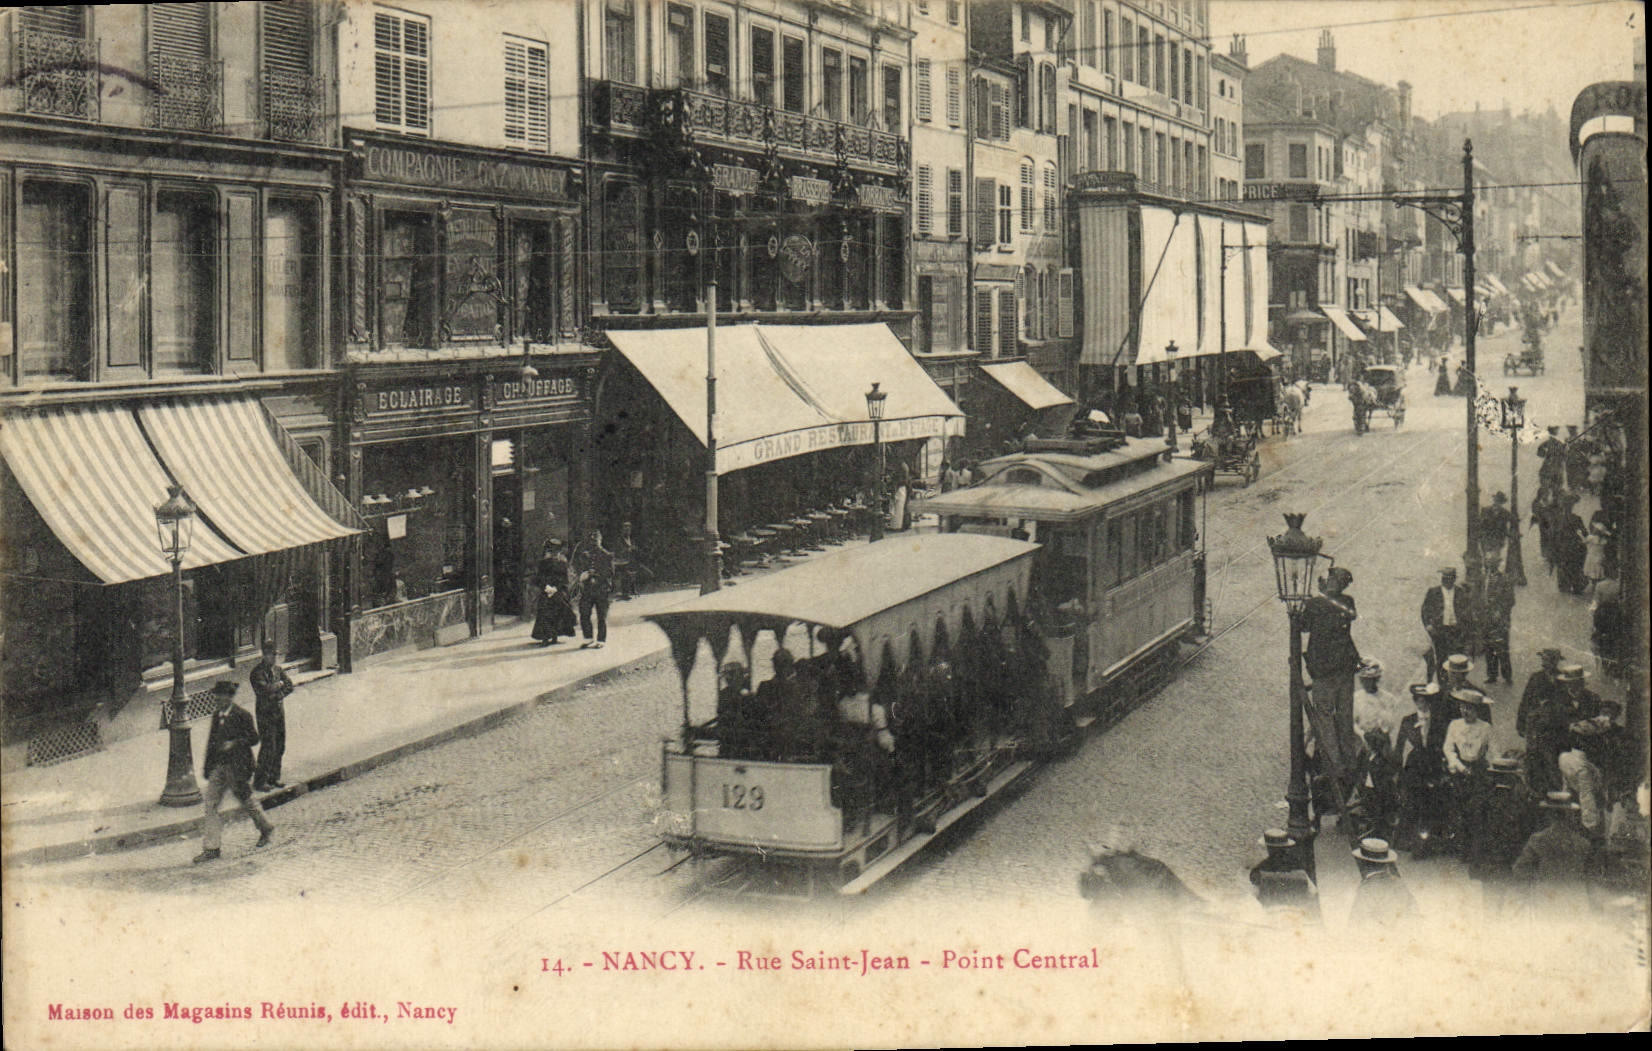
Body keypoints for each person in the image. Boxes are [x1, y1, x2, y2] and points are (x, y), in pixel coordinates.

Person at [193, 681, 275, 863]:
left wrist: (235, 742)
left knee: (246, 801)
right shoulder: (216, 716)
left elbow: (254, 738)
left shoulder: (242, 715)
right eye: (216, 696)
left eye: (221, 696)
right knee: (211, 804)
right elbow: (211, 743)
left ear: (229, 697)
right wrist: (208, 768)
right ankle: (212, 848)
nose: (217, 699)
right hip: (218, 768)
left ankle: (265, 827)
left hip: (237, 767)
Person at [1301, 567, 1362, 789]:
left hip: (1325, 669)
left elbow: (1303, 626)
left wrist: (1316, 598)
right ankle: (1349, 763)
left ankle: (1336, 766)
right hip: (1345, 667)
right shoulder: (1346, 602)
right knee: (1344, 716)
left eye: (1332, 580)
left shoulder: (1318, 604)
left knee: (1325, 717)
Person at [1462, 757, 1540, 913]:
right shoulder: (1520, 802)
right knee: (1511, 908)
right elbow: (1527, 830)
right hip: (1510, 860)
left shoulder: (1482, 799)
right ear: (1512, 777)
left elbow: (1471, 827)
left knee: (1491, 904)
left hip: (1487, 860)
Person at [1511, 790, 1596, 917]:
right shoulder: (1583, 843)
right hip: (1573, 903)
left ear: (1549, 814)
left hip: (1545, 901)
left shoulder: (1538, 840)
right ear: (1570, 816)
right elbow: (1591, 878)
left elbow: (1520, 870)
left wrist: (1525, 895)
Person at [1395, 682, 1448, 854]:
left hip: (1433, 763)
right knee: (1412, 800)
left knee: (1432, 801)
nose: (1422, 704)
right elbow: (1400, 747)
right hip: (1415, 764)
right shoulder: (1408, 721)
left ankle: (1431, 840)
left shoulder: (1439, 720)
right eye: (1419, 700)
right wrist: (1398, 770)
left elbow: (1444, 744)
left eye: (1425, 700)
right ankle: (1411, 840)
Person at [250, 640, 293, 793]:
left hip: (279, 712)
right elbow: (264, 690)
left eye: (275, 655)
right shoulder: (257, 673)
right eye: (270, 655)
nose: (273, 658)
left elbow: (290, 685)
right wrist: (278, 686)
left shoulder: (278, 670)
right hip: (265, 714)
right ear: (264, 655)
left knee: (280, 745)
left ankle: (274, 777)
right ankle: (260, 781)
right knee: (268, 746)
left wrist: (279, 691)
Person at [1249, 828, 1320, 921]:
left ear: (1268, 848)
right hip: (1297, 914)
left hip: (1270, 914)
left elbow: (1254, 896)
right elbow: (1312, 893)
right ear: (1286, 847)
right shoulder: (1299, 866)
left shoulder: (1259, 869)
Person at [1348, 837, 1419, 927]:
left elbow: (1356, 923)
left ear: (1363, 863)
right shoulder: (1399, 883)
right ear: (1386, 863)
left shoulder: (1367, 889)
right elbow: (1414, 912)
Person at [1420, 568, 1473, 683]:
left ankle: (1455, 682)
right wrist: (1428, 625)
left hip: (1456, 631)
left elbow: (1467, 612)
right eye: (1444, 579)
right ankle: (1442, 683)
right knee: (1441, 659)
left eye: (1449, 579)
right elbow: (1425, 611)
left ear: (1454, 580)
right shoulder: (1433, 592)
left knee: (1456, 659)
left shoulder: (1460, 593)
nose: (1446, 581)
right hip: (1440, 631)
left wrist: (1465, 628)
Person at [573, 528, 614, 649]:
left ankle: (601, 640)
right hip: (587, 590)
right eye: (592, 540)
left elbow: (610, 573)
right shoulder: (585, 555)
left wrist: (595, 573)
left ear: (600, 540)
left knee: (602, 615)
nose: (594, 542)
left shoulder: (607, 555)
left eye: (596, 539)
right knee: (584, 613)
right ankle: (588, 638)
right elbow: (579, 567)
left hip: (601, 589)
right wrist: (583, 574)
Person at [531, 540, 576, 645]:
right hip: (546, 591)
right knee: (545, 614)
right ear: (548, 552)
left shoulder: (563, 564)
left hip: (558, 591)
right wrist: (546, 587)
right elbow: (538, 578)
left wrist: (556, 588)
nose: (555, 554)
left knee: (558, 614)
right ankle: (545, 638)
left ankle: (555, 637)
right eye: (552, 552)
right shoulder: (543, 563)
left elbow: (565, 580)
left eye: (557, 552)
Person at [1480, 567, 1515, 686]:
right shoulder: (1483, 577)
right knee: (1488, 646)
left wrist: (1500, 611)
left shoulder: (1504, 579)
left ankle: (1507, 675)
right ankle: (1492, 674)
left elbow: (1511, 600)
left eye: (1492, 562)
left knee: (1502, 647)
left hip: (1500, 619)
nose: (1489, 565)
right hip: (1486, 618)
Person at [1552, 493, 1589, 595]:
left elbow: (1553, 534)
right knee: (1576, 566)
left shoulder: (1558, 519)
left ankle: (1564, 585)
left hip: (1562, 546)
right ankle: (1577, 585)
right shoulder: (1577, 518)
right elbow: (1585, 533)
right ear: (1572, 506)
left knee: (1563, 565)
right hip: (1574, 546)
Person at [1592, 580, 1628, 682]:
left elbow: (1596, 602)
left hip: (1603, 616)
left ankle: (1605, 666)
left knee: (1602, 644)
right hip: (1615, 615)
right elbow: (1623, 601)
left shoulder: (1600, 585)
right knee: (1615, 643)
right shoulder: (1620, 585)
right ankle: (1614, 667)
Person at [1479, 492, 1514, 570]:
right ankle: (1488, 572)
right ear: (1494, 500)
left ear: (1502, 503)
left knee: (1495, 559)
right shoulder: (1485, 510)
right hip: (1486, 539)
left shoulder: (1505, 513)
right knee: (1487, 559)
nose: (1497, 503)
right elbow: (1480, 525)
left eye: (1499, 502)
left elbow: (1509, 525)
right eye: (1496, 501)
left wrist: (1510, 535)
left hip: (1498, 540)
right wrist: (1480, 537)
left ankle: (1493, 574)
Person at [1582, 518, 1609, 590]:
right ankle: (1597, 588)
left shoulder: (1590, 537)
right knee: (1598, 573)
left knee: (1592, 574)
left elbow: (1584, 541)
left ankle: (1594, 588)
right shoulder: (1604, 540)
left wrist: (1580, 534)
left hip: (1591, 557)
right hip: (1600, 557)